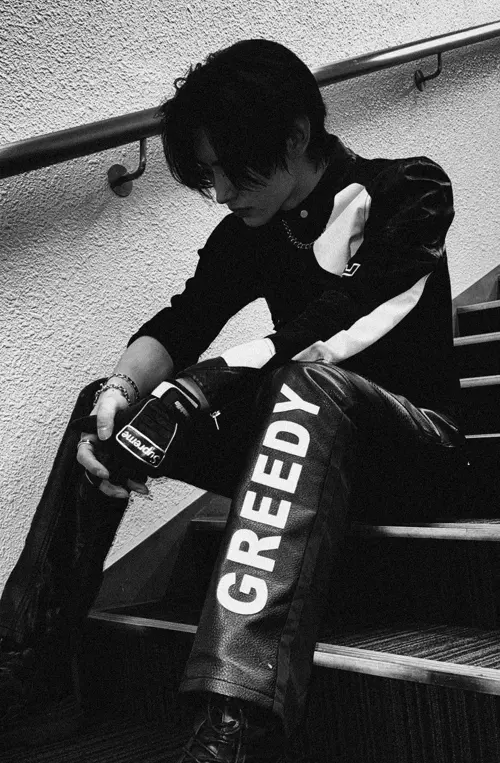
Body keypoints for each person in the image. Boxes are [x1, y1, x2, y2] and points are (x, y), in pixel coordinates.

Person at [0, 39, 466, 761]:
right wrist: (123, 392)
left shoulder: (411, 189)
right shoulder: (249, 230)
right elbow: (183, 322)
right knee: (110, 406)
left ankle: (237, 727)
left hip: (412, 452)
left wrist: (211, 380)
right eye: (208, 174)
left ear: (296, 135)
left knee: (304, 385)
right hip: (301, 445)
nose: (219, 191)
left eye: (229, 168)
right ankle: (32, 669)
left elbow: (350, 317)